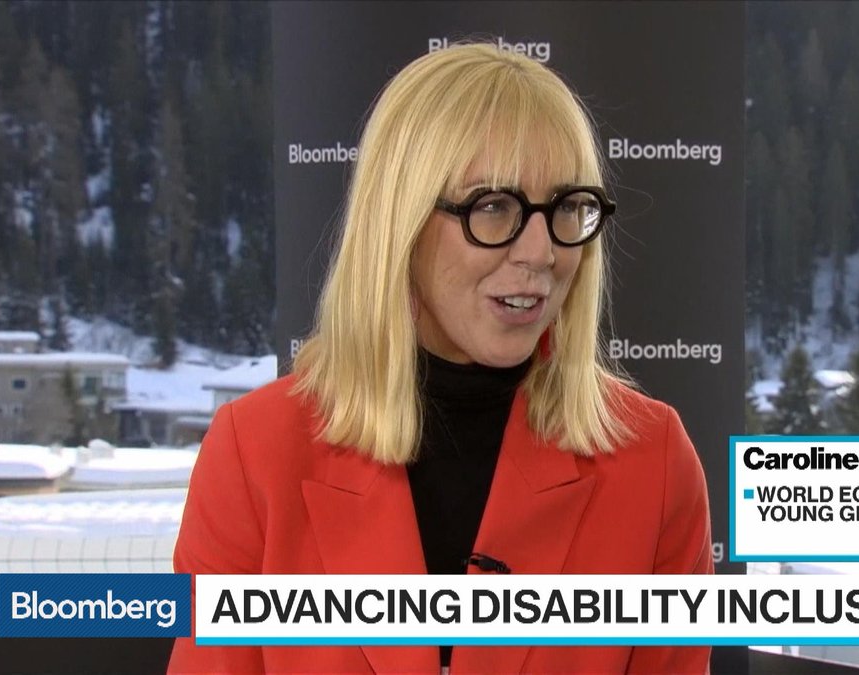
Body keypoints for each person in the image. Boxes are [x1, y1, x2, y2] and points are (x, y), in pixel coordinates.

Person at [168, 43, 713, 674]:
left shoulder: (653, 460)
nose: (541, 251)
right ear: (400, 221)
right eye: (493, 206)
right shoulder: (255, 451)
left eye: (567, 208)